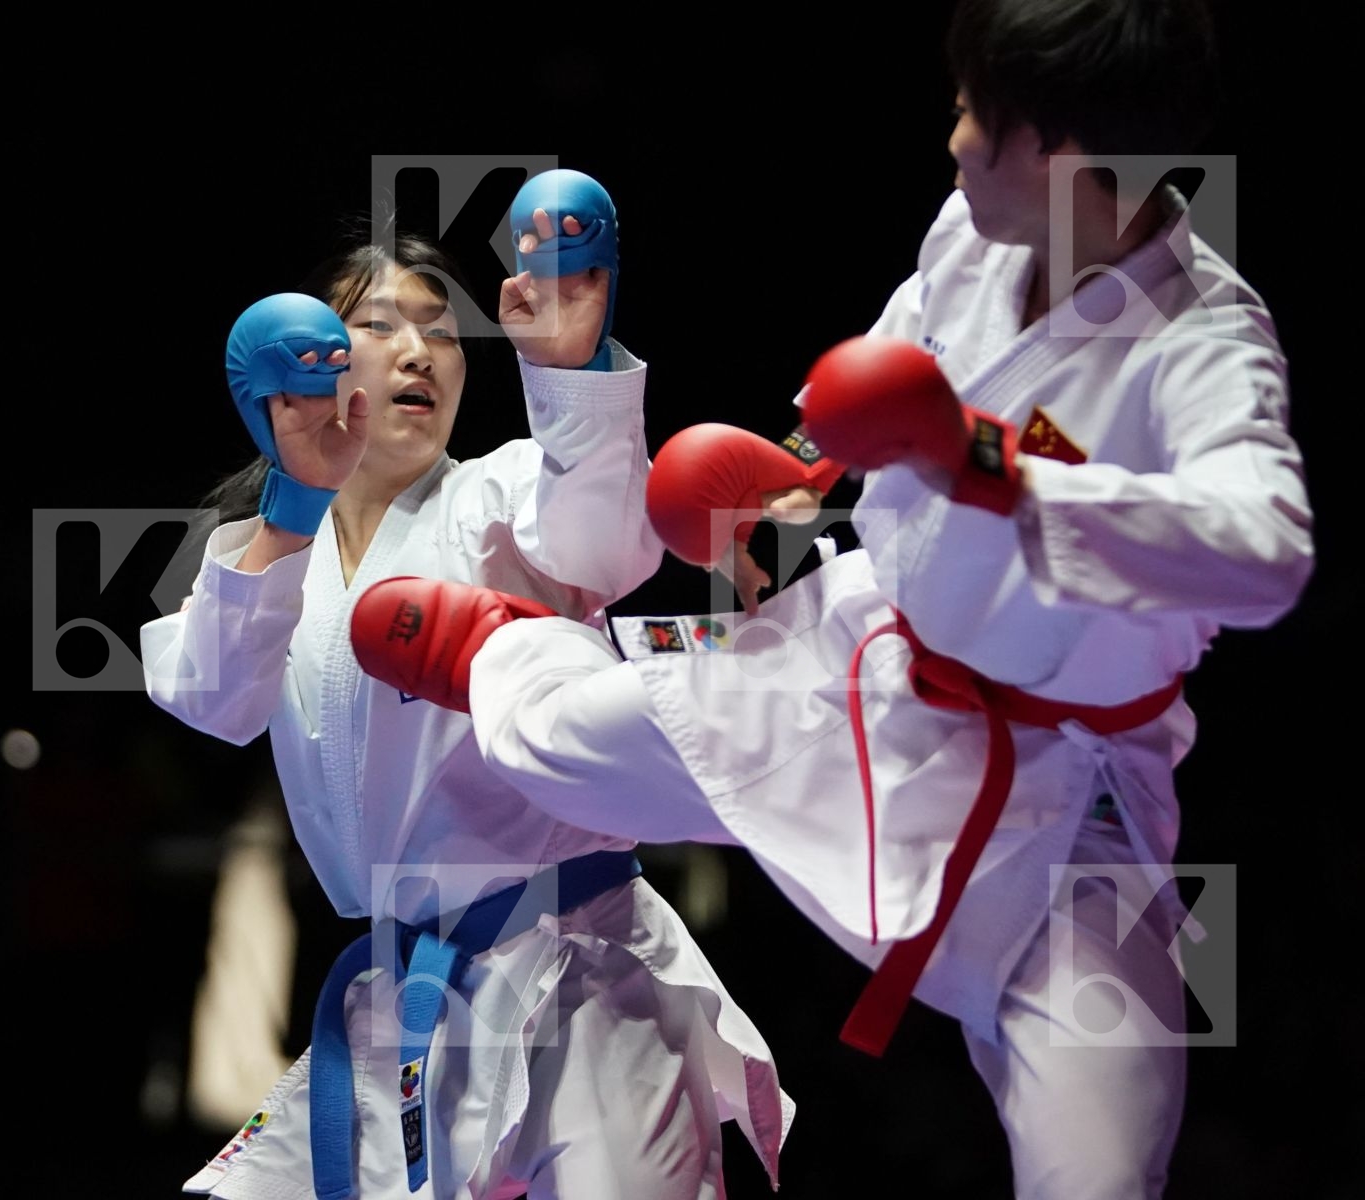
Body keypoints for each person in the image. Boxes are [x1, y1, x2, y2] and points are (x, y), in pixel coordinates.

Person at [348, 4, 1314, 1197]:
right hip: (862, 670)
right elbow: (896, 358)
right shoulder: (979, 227)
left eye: (979, 117)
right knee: (562, 743)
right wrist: (801, 469)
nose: (954, 139)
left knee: (1102, 1169)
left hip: (1061, 800)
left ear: (1061, 154)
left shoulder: (1206, 337)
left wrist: (985, 463)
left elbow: (1269, 553)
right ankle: (503, 646)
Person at [142, 170, 791, 1200]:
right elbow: (212, 700)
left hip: (583, 987)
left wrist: (572, 371)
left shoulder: (501, 495)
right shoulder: (277, 558)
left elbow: (602, 536)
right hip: (400, 1008)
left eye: (441, 332)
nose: (418, 351)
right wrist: (291, 503)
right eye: (380, 326)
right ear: (307, 367)